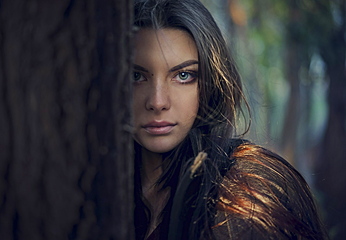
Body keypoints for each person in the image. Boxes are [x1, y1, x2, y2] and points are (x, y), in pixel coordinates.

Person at [132, 0, 327, 239]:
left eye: (183, 75)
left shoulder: (246, 188)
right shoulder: (92, 189)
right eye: (136, 76)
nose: (158, 101)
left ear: (210, 84)